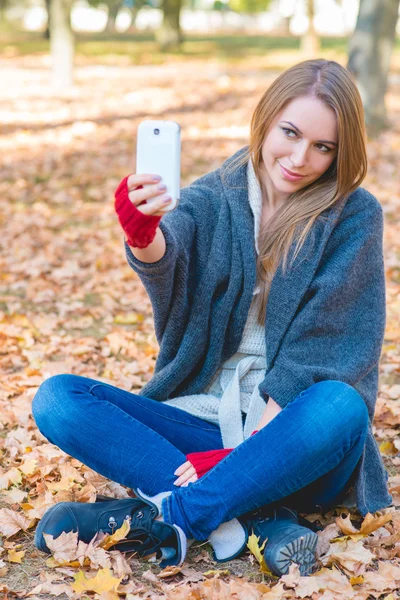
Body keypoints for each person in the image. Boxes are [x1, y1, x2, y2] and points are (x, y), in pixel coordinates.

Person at [31, 58, 392, 577]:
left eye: (323, 147)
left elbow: (322, 355)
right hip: (198, 426)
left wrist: (242, 458)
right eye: (290, 133)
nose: (299, 157)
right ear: (266, 120)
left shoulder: (353, 215)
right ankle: (248, 519)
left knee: (339, 404)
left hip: (294, 444)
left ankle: (168, 515)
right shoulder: (218, 190)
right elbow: (169, 251)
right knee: (60, 399)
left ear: (341, 152)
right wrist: (142, 234)